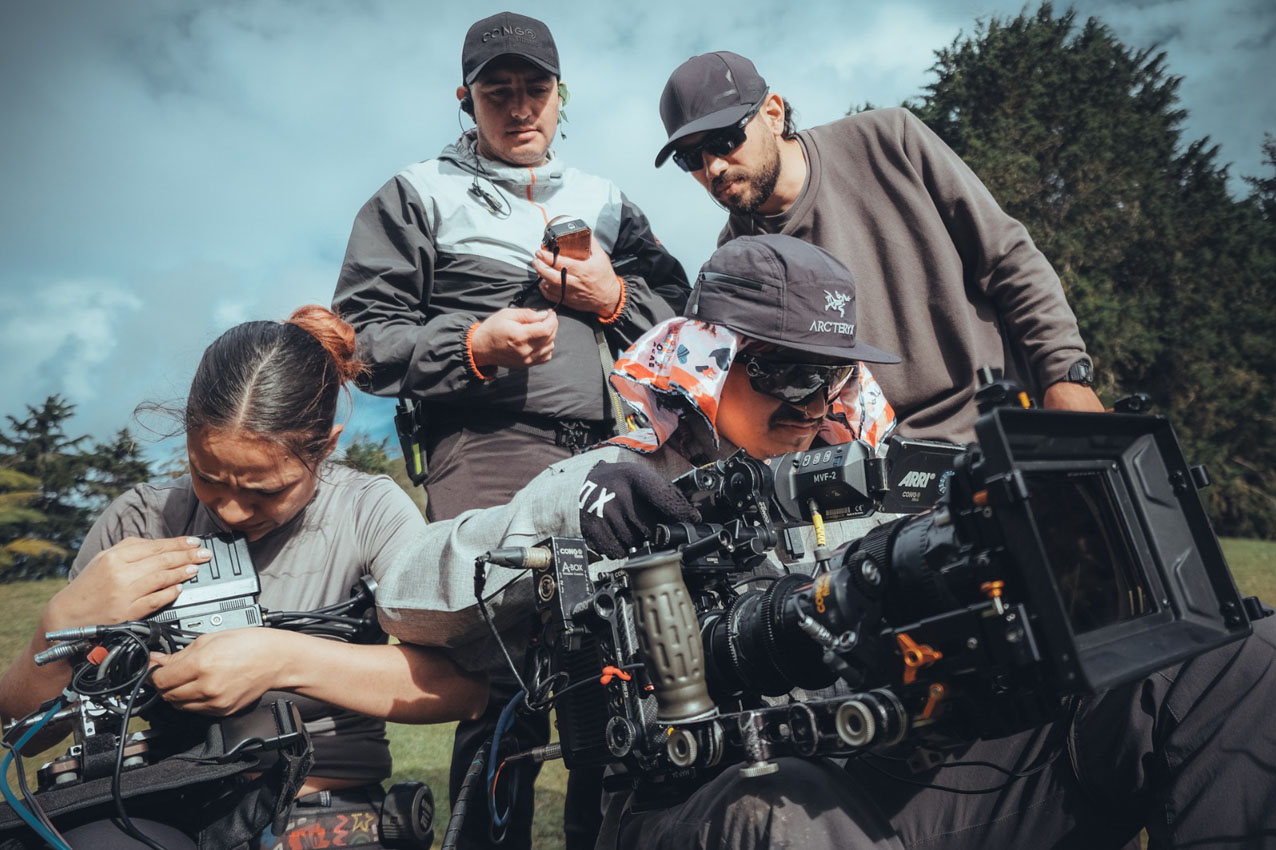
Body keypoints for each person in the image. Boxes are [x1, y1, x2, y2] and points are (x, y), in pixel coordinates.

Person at [371, 235, 1276, 850]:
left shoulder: (867, 470)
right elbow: (410, 587)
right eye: (786, 371)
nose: (814, 404)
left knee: (1237, 657)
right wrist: (571, 518)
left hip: (905, 765)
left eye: (833, 372)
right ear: (706, 356)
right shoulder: (609, 478)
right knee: (779, 819)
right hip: (724, 800)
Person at [332, 14, 688, 848]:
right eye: (498, 93)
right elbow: (359, 339)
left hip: (609, 447)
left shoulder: (607, 201)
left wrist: (613, 302)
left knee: (618, 662)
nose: (520, 107)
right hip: (483, 451)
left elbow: (681, 321)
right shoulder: (413, 194)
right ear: (466, 99)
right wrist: (468, 345)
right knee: (507, 674)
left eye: (536, 89)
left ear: (563, 95)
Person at [0, 306, 487, 850]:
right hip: (160, 807)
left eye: (266, 491)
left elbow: (461, 689)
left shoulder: (368, 512)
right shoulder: (139, 522)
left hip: (322, 814)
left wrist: (282, 659)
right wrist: (58, 628)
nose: (231, 510)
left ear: (326, 446)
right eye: (208, 478)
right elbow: (28, 729)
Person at [653, 51, 1105, 444]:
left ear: (772, 112)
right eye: (690, 158)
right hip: (884, 485)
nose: (713, 167)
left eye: (724, 140)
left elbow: (1007, 258)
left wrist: (1065, 375)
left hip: (1008, 421)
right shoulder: (734, 263)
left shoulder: (890, 139)